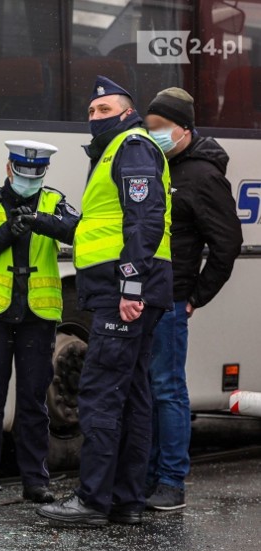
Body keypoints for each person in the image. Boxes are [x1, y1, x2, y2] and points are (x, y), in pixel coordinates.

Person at [37, 76, 172, 526]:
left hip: (125, 291)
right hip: (124, 289)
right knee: (132, 396)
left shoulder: (131, 147)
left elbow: (145, 219)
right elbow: (104, 227)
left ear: (128, 111)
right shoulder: (118, 151)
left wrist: (131, 287)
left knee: (99, 394)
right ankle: (125, 501)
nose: (95, 118)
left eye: (105, 110)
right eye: (92, 112)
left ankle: (93, 500)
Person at [0, 140, 78, 504]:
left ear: (44, 172)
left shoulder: (53, 201)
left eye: (37, 173)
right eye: (24, 172)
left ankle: (35, 481)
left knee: (33, 402)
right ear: (10, 168)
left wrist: (42, 222)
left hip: (37, 316)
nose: (30, 179)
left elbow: (76, 231)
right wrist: (7, 232)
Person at [144, 88, 243, 511]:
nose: (154, 136)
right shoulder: (156, 167)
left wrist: (194, 297)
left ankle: (171, 482)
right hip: (146, 298)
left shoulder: (202, 177)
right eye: (149, 129)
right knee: (146, 391)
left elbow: (227, 245)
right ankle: (145, 477)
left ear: (182, 130)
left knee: (167, 390)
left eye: (160, 129)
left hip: (171, 301)